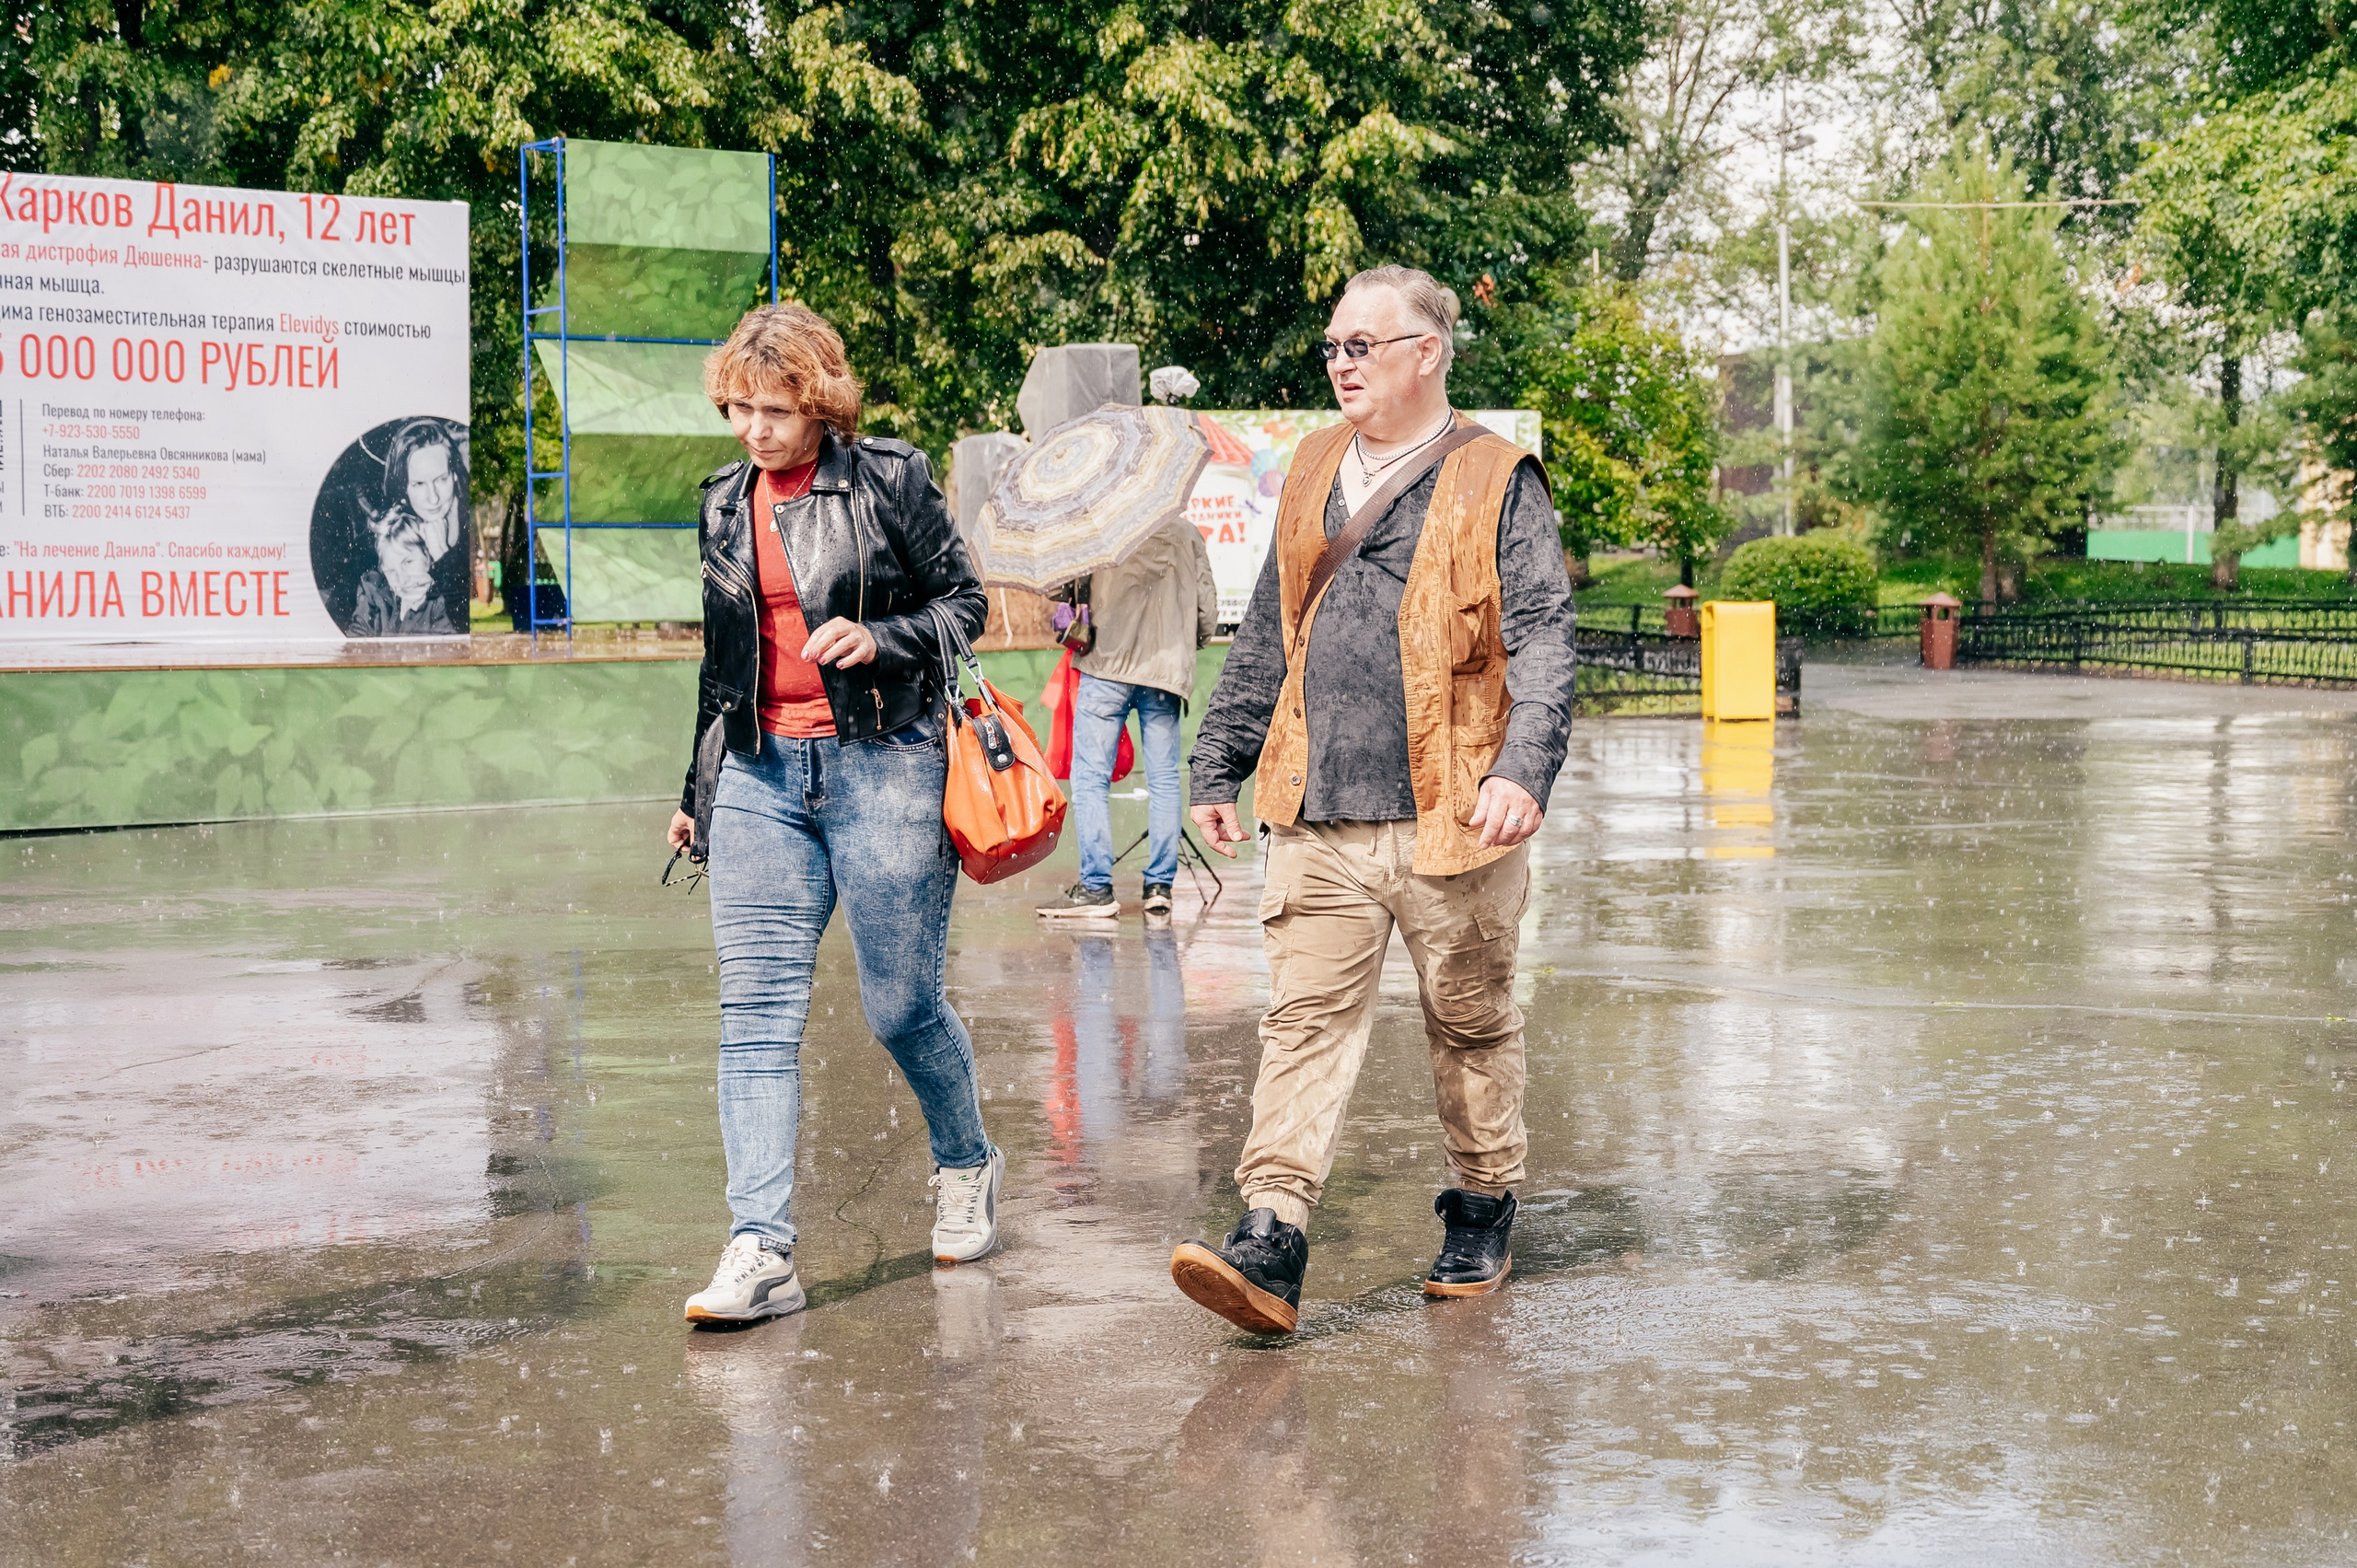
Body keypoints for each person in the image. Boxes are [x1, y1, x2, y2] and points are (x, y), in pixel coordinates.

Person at [1169, 264, 1577, 1334]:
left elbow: (1543, 633)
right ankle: (1271, 1234)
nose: (1341, 363)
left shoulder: (1497, 476)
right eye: (1334, 346)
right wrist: (1219, 763)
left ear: (1426, 353)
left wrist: (1521, 770)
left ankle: (1482, 1201)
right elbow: (1271, 627)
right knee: (1301, 1021)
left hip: (1455, 814)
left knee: (1471, 1021)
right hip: (1317, 806)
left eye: (1363, 345)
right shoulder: (1312, 465)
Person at [666, 303, 1001, 1324]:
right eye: (740, 407)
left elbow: (964, 604)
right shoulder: (723, 499)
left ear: (820, 405)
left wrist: (885, 636)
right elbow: (722, 662)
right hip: (761, 776)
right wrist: (697, 791)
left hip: (885, 764)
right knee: (755, 1016)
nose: (755, 429)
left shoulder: (888, 477)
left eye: (776, 409)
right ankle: (760, 1245)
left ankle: (966, 1159)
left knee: (898, 1005)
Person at [1034, 516, 1219, 921]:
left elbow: (1054, 587)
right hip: (1165, 673)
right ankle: (1159, 887)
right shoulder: (1185, 533)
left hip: (1105, 669)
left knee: (1090, 779)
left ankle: (1097, 888)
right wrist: (1187, 644)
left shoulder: (1101, 527)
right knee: (1166, 779)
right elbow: (1207, 613)